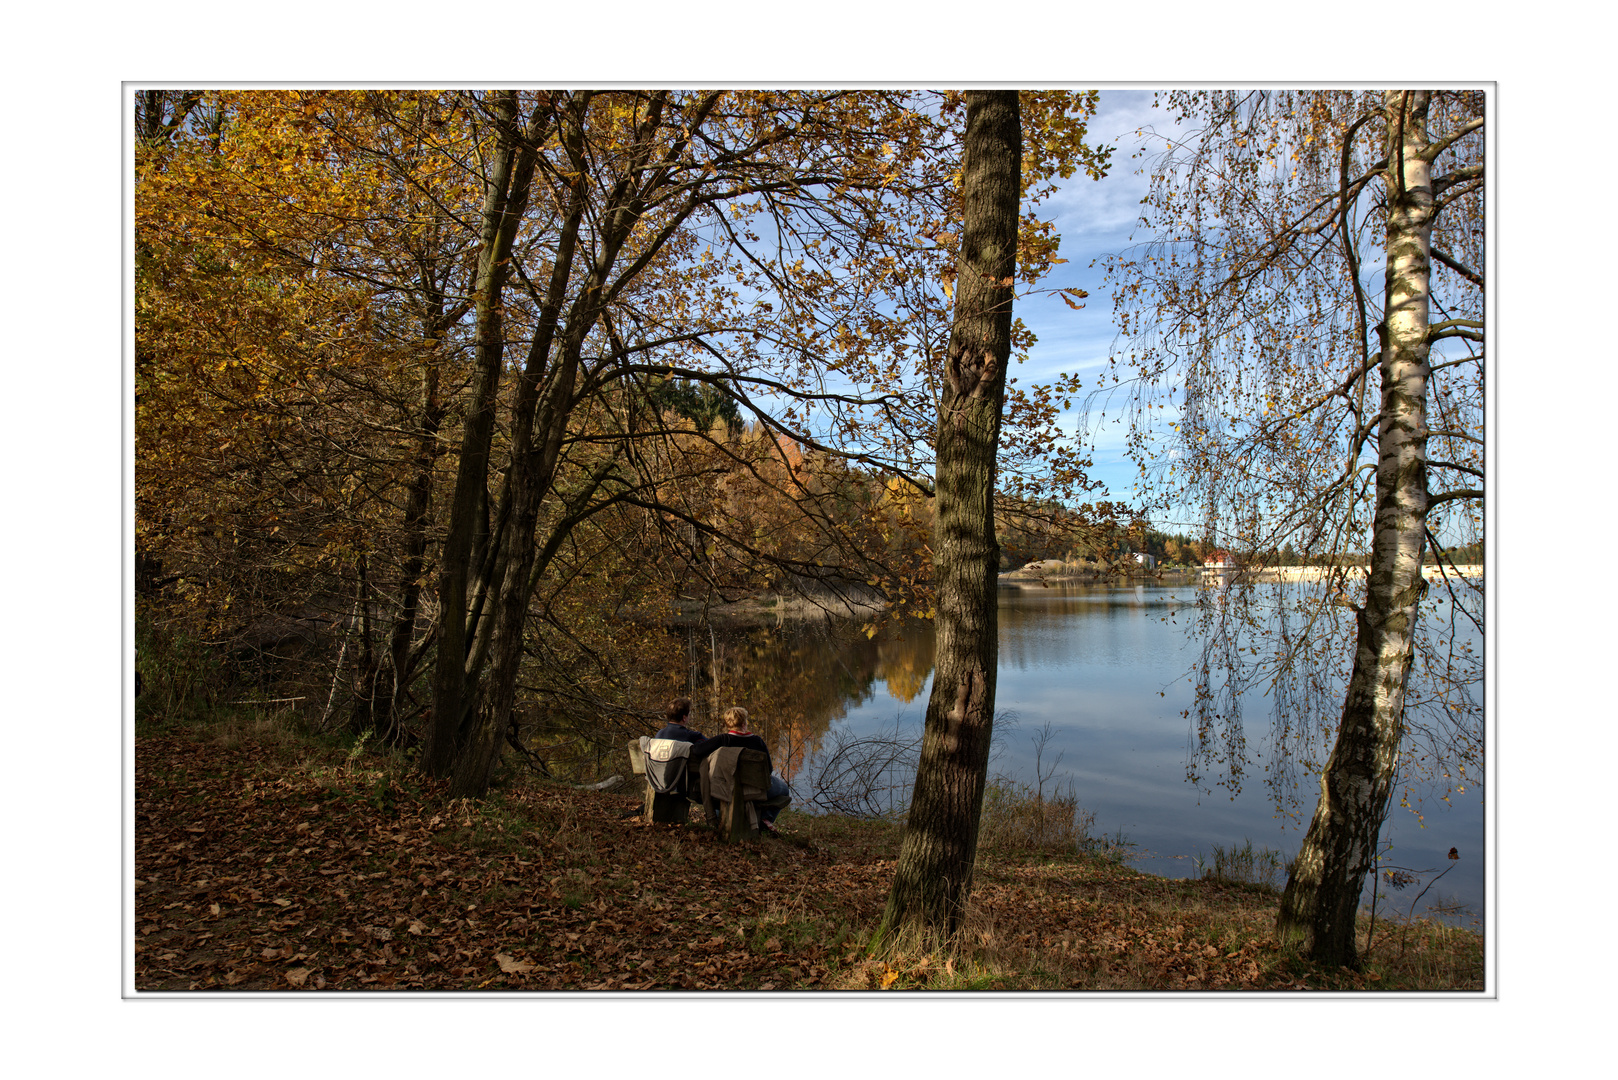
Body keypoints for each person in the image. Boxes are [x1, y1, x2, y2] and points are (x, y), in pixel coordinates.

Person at [688, 706, 792, 832]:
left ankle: (722, 819)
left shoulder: (722, 740)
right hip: (754, 790)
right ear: (744, 723)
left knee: (721, 790)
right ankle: (766, 818)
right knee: (785, 789)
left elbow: (697, 750)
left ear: (728, 724)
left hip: (726, 788)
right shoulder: (757, 741)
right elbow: (768, 770)